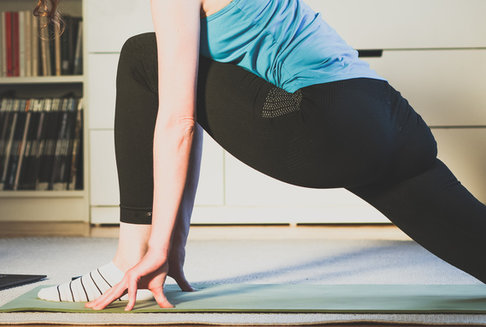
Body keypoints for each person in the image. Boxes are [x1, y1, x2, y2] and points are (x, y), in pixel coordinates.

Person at [33, 0, 486, 310]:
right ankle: (151, 257)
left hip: (325, 124)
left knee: (140, 56)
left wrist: (154, 247)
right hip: (392, 120)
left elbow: (179, 121)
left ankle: (128, 261)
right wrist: (173, 242)